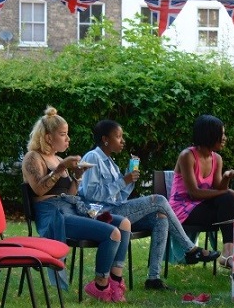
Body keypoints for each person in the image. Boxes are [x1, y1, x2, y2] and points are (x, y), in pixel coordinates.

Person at [78, 120, 221, 290]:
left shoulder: (111, 163)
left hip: (116, 211)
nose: (122, 141)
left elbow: (119, 196)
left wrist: (129, 180)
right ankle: (190, 249)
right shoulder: (93, 157)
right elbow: (90, 194)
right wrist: (123, 181)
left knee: (161, 218)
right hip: (102, 214)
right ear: (105, 139)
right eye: (118, 137)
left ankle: (153, 278)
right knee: (159, 200)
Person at [21, 106, 131, 303]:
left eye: (67, 134)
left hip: (71, 209)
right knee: (112, 233)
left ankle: (115, 282)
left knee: (123, 224)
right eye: (63, 134)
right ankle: (101, 285)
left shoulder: (57, 158)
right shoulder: (33, 157)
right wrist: (62, 168)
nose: (67, 139)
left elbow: (70, 194)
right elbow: (38, 189)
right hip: (55, 217)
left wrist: (77, 178)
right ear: (47, 137)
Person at [169, 115, 234, 269]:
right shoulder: (187, 156)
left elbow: (219, 189)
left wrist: (226, 177)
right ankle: (229, 255)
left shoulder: (216, 158)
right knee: (227, 198)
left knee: (227, 202)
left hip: (201, 207)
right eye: (221, 134)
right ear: (209, 135)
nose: (224, 138)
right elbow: (193, 193)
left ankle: (228, 253)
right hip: (182, 211)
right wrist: (230, 192)